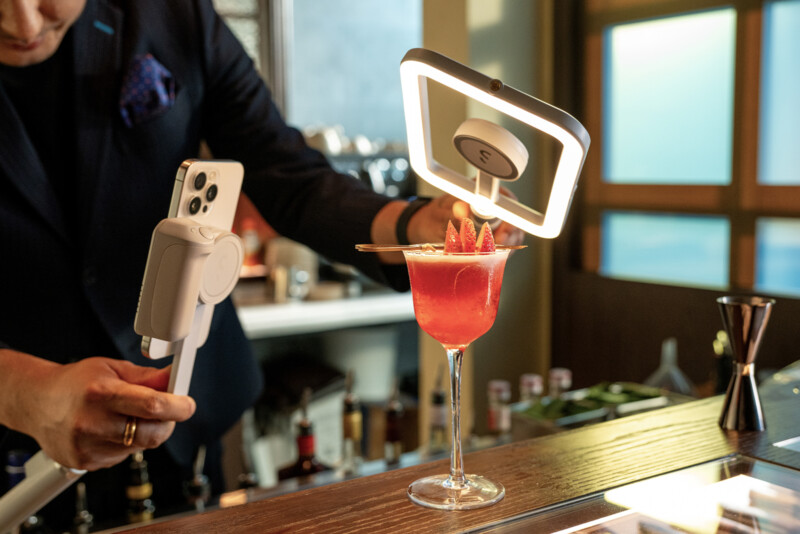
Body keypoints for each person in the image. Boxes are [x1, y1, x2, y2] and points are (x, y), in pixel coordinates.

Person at [0, 0, 523, 529]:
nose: (22, 23)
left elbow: (287, 173)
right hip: (18, 458)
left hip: (191, 421)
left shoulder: (173, 13)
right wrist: (21, 391)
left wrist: (412, 226)